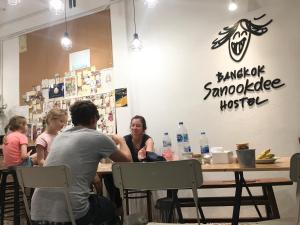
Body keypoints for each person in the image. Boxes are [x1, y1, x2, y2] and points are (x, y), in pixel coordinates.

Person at [31, 100, 132, 225]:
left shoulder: (59, 138)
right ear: (94, 119)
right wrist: (122, 141)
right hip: (71, 216)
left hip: (37, 213)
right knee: (110, 207)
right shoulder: (97, 137)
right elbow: (128, 162)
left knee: (95, 202)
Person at [103, 115, 154, 212]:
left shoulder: (148, 140)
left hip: (143, 176)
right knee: (108, 176)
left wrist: (143, 157)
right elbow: (119, 159)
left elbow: (149, 157)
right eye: (133, 125)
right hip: (127, 175)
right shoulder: (124, 140)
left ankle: (116, 207)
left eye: (138, 126)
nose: (134, 128)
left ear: (144, 129)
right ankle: (117, 207)